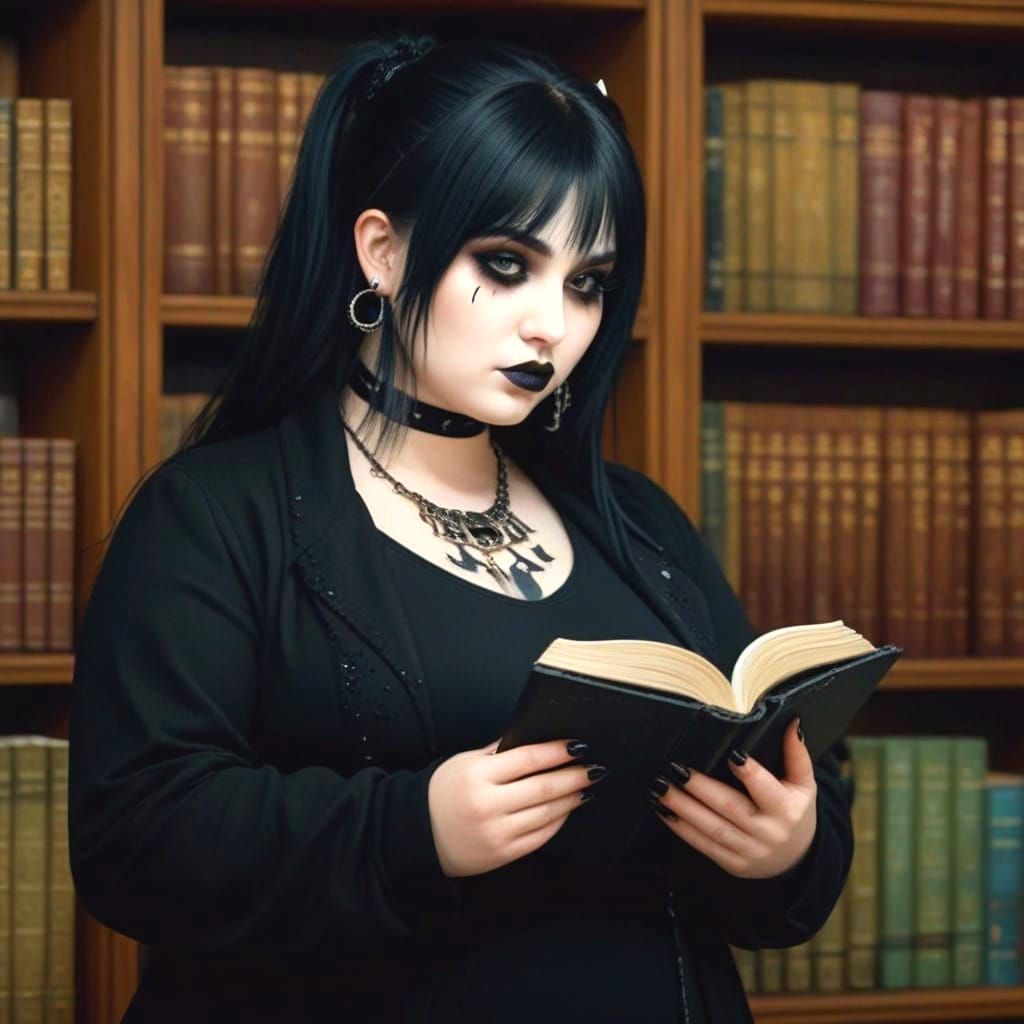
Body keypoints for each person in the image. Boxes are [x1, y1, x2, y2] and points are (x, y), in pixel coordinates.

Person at [68, 31, 853, 1023]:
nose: (551, 326)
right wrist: (416, 826)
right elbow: (133, 837)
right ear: (383, 251)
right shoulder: (214, 514)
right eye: (506, 263)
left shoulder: (640, 523)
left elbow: (802, 797)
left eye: (586, 282)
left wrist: (788, 846)